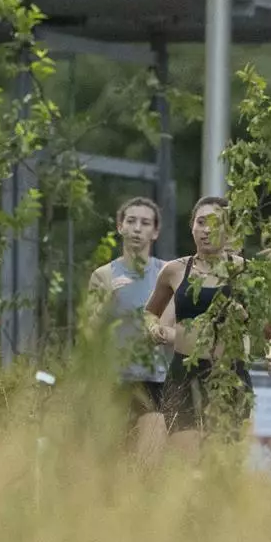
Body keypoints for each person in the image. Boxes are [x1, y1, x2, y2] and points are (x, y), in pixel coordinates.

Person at [143, 196, 250, 455]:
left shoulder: (244, 271)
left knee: (219, 463)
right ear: (192, 226)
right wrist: (153, 328)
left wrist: (244, 315)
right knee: (187, 463)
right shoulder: (174, 270)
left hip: (228, 374)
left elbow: (266, 325)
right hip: (184, 373)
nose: (207, 229)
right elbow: (150, 312)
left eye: (216, 223)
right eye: (201, 222)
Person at [87, 195, 169, 459]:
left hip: (153, 379)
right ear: (120, 226)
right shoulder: (104, 275)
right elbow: (90, 333)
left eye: (145, 223)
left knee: (150, 463)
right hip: (113, 380)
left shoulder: (166, 273)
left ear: (155, 232)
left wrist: (161, 332)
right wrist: (108, 302)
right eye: (131, 221)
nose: (137, 229)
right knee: (111, 462)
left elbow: (178, 327)